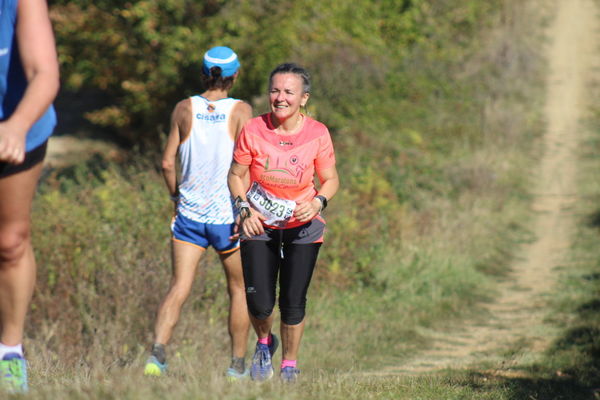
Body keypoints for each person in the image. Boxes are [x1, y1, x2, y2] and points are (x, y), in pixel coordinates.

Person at [144, 46, 253, 380]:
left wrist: (177, 197)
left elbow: (166, 162)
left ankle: (157, 357)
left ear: (203, 74)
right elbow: (247, 165)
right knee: (238, 289)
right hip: (228, 218)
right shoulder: (241, 111)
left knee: (179, 287)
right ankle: (236, 366)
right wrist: (245, 209)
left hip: (189, 217)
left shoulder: (183, 108)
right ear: (235, 75)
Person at [227, 63, 339, 383]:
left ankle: (290, 366)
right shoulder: (252, 129)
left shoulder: (317, 133)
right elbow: (235, 175)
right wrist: (244, 210)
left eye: (289, 92)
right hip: (259, 224)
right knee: (260, 302)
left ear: (303, 98)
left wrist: (318, 201)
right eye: (275, 90)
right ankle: (264, 343)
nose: (280, 98)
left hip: (302, 227)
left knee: (293, 300)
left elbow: (330, 179)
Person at [0, 0, 59, 393]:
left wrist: (17, 126)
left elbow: (44, 74)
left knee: (10, 242)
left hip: (18, 129)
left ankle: (9, 350)